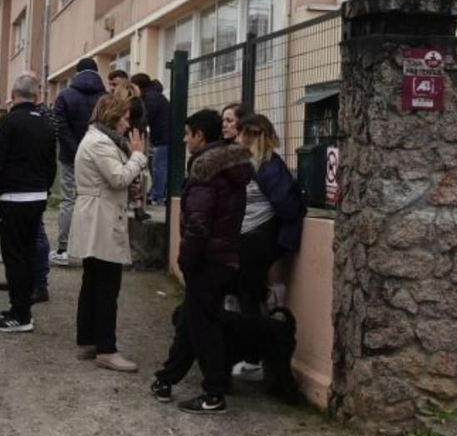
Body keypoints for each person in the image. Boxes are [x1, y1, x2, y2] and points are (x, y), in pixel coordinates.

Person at [151, 109, 254, 413]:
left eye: (187, 133)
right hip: (224, 257)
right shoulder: (231, 167)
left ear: (200, 136)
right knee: (191, 321)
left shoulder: (205, 170)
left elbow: (198, 223)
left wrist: (186, 259)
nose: (184, 139)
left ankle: (214, 393)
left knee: (204, 326)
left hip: (207, 260)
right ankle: (167, 378)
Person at [70, 95, 150, 372]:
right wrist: (138, 156)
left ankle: (88, 341)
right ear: (113, 116)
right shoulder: (100, 142)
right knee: (106, 284)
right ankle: (106, 348)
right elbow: (118, 177)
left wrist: (131, 185)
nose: (128, 124)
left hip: (98, 214)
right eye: (125, 117)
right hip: (100, 218)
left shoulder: (99, 140)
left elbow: (115, 180)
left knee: (93, 280)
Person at [229, 114, 307, 378]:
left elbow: (287, 206)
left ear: (253, 136)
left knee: (248, 294)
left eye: (241, 134)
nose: (236, 139)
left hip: (258, 240)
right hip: (251, 238)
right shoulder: (255, 165)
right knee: (244, 293)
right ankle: (250, 353)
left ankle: (253, 358)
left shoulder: (269, 167)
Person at [0, 73, 57, 334]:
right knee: (28, 253)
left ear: (13, 96)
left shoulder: (8, 123)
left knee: (14, 256)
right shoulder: (47, 125)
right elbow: (51, 165)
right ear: (37, 97)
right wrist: (44, 188)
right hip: (37, 196)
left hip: (14, 197)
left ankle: (20, 313)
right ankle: (22, 307)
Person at [52, 57, 106, 265]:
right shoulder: (105, 98)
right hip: (100, 158)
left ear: (77, 72)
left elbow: (61, 127)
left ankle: (64, 249)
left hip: (70, 157)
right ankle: (94, 249)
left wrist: (76, 150)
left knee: (68, 201)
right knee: (96, 200)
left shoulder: (65, 96)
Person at [111, 80, 152, 222]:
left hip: (124, 139)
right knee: (136, 173)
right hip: (138, 137)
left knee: (126, 172)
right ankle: (138, 206)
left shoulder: (120, 105)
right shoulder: (139, 103)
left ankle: (132, 205)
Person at [136, 74, 171, 206]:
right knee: (158, 166)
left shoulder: (151, 97)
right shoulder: (154, 95)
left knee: (158, 167)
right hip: (163, 136)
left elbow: (145, 116)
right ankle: (159, 193)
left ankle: (157, 195)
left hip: (164, 137)